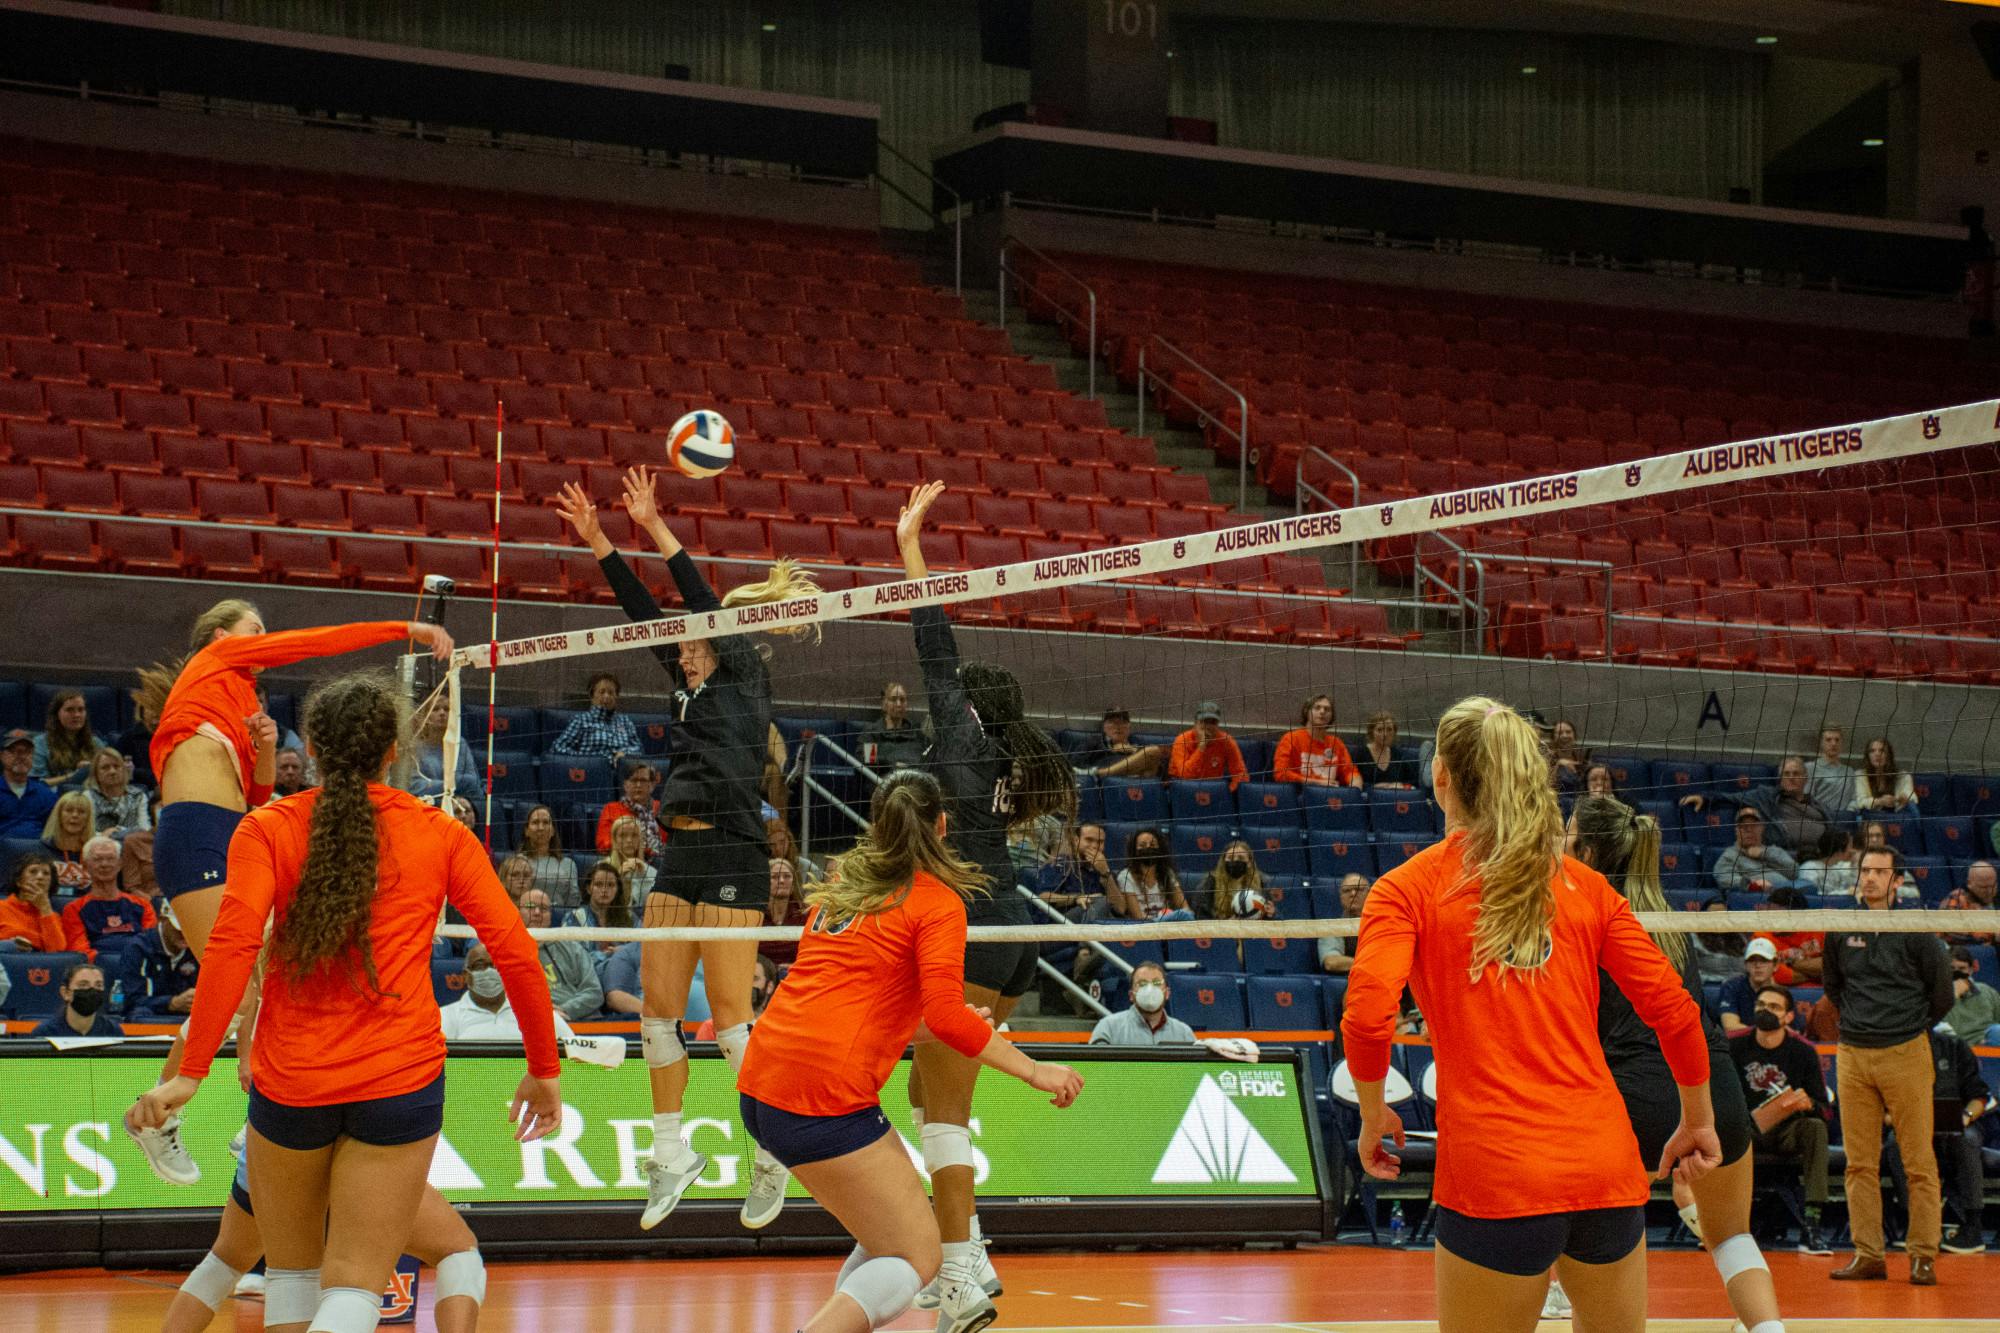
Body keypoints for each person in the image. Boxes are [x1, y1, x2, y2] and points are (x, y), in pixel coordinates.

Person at [126, 669, 561, 1333]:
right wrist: (542, 1067)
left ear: (314, 748)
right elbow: (517, 953)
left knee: (295, 1288)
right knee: (355, 1288)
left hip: (293, 1083)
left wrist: (191, 1071)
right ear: (394, 749)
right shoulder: (438, 832)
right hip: (399, 1082)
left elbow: (231, 950)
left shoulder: (267, 827)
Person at [1342, 696, 1719, 1333]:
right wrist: (1697, 1119)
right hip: (1603, 1169)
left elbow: (1367, 1016)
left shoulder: (1407, 889)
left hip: (1497, 1176)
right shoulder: (1584, 886)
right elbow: (1677, 1012)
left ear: (1442, 779)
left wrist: (1375, 1110)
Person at [555, 465, 820, 1233]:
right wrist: (603, 540)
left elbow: (695, 600)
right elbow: (644, 614)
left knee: (732, 1020)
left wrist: (655, 527)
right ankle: (670, 1155)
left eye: (699, 634)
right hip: (681, 857)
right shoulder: (685, 673)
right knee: (659, 1017)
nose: (688, 642)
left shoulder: (741, 673)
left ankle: (773, 1151)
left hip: (737, 854)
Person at [737, 769, 1082, 1333]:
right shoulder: (937, 902)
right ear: (943, 826)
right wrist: (1034, 1069)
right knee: (919, 1258)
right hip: (821, 1096)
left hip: (762, 1081)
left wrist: (938, 1027)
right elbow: (946, 1016)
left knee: (889, 1240)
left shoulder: (846, 884)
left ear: (878, 825)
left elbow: (854, 999)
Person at [129, 596, 452, 1186]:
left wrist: (267, 746)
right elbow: (314, 642)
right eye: (255, 628)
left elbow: (256, 796)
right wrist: (403, 627)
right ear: (221, 634)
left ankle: (259, 1112)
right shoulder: (219, 658)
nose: (263, 637)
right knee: (240, 982)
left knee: (271, 977)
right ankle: (165, 1115)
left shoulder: (243, 702)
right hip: (195, 834)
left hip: (235, 830)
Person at [891, 482, 1079, 1328]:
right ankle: (966, 1247)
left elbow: (933, 635)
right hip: (1014, 930)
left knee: (944, 1111)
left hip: (962, 926)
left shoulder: (958, 733)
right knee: (930, 1102)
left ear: (969, 703)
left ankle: (959, 1269)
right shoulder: (1008, 754)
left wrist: (910, 547)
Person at [1565, 793, 1780, 1331]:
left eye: (1566, 834)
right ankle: (1770, 1328)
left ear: (1587, 850)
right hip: (1712, 1091)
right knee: (1732, 1235)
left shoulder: (1579, 920)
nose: (1557, 842)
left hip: (1631, 1098)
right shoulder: (1668, 924)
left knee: (1593, 1243)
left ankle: (1560, 1290)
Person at [1823, 845, 1953, 1284]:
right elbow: (1833, 986)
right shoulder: (1842, 925)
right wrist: (1860, 1025)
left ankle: (1923, 1255)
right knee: (1859, 1164)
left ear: (1898, 880)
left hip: (1906, 1051)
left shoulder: (1916, 929)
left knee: (1918, 1161)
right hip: (1853, 1054)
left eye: (1881, 871)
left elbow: (1942, 995)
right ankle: (1868, 1254)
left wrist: (1906, 1027)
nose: (1871, 878)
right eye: (1866, 871)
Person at [1728, 983, 1834, 1253]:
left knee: (1815, 1128)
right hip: (1747, 1131)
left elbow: (1825, 1109)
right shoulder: (1734, 1045)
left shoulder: (1804, 1051)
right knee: (1722, 1127)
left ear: (1788, 1017)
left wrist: (1808, 1103)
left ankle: (1812, 1224)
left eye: (1774, 1007)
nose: (1765, 1011)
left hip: (1787, 1131)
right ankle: (1725, 1225)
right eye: (1761, 1005)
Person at [1881, 1028, 1990, 1256]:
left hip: (1955, 1127)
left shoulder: (1954, 1046)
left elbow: (1979, 1097)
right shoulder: (1890, 1049)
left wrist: (1965, 1118)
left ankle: (1973, 1228)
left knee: (1967, 1139)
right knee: (1894, 1141)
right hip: (1908, 1127)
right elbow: (1881, 1110)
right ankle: (1913, 1223)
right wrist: (1903, 1119)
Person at [1681, 757, 1831, 857]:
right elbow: (1731, 797)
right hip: (1787, 855)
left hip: (1823, 856)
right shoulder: (1764, 796)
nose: (1791, 777)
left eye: (1796, 773)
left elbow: (1834, 831)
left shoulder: (1818, 805)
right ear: (1780, 779)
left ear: (1805, 778)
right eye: (1787, 774)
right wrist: (1704, 797)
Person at [441, 942, 582, 1043]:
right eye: (480, 965)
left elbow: (574, 1053)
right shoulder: (444, 1016)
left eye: (496, 966)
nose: (489, 971)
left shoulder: (538, 1014)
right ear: (465, 976)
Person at [60, 835, 156, 960]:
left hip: (137, 968)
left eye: (111, 859)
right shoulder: (73, 909)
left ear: (120, 864)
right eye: (97, 859)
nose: (104, 864)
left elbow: (151, 945)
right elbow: (80, 952)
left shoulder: (143, 905)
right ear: (85, 866)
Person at [518, 887, 604, 1021]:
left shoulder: (572, 947)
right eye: (530, 906)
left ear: (551, 915)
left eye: (544, 908)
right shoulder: (506, 953)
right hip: (530, 1021)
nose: (537, 913)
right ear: (517, 912)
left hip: (578, 1020)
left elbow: (594, 992)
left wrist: (565, 1009)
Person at [1089, 961, 1196, 1046]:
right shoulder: (1108, 1027)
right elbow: (1095, 1070)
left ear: (1167, 993)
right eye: (1142, 983)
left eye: (1157, 983)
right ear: (1131, 995)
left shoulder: (1184, 1033)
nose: (1150, 988)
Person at [127, 908, 201, 1019]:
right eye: (179, 929)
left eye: (190, 928)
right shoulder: (139, 948)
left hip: (189, 1018)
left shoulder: (197, 947)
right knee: (140, 1013)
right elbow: (133, 1000)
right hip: (152, 1018)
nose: (185, 934)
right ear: (162, 920)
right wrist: (171, 1003)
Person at [1273, 693, 1360, 788]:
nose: (1322, 712)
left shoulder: (1336, 743)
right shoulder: (1291, 738)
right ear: (1307, 711)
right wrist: (1317, 782)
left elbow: (1350, 772)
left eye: (1327, 709)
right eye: (1317, 708)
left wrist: (1355, 787)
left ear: (1332, 716)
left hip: (1330, 796)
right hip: (1300, 793)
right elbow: (1281, 774)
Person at [406, 696, 481, 805]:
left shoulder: (460, 744)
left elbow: (473, 782)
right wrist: (454, 784)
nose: (442, 713)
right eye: (435, 709)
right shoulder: (413, 747)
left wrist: (437, 786)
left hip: (458, 804)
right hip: (425, 805)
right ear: (425, 716)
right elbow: (415, 786)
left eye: (447, 709)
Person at [1035, 822, 1117, 918]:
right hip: (1060, 920)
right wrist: (1076, 898)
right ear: (1076, 840)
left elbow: (1120, 909)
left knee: (1102, 903)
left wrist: (1105, 873)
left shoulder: (1103, 867)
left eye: (1100, 842)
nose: (1095, 846)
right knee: (1101, 901)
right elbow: (1042, 897)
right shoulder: (1059, 864)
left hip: (1095, 917)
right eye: (1089, 840)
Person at [553, 671, 642, 759]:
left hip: (623, 770)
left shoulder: (625, 721)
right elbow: (558, 748)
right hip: (592, 770)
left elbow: (639, 749)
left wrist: (625, 755)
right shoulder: (581, 720)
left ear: (616, 697)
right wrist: (584, 759)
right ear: (592, 696)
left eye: (611, 693)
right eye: (602, 692)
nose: (606, 696)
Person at [1110, 827, 1192, 922]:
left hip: (1168, 926)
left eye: (1152, 844)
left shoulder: (1167, 873)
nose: (1148, 847)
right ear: (1134, 851)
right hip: (1143, 929)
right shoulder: (1126, 876)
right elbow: (1138, 918)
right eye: (1142, 845)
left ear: (1160, 849)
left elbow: (1185, 907)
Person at [28, 959, 123, 1037]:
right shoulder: (45, 1033)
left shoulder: (113, 1032)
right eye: (83, 985)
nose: (92, 990)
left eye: (98, 985)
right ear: (65, 992)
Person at [565, 860, 634, 967]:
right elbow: (572, 957)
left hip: (624, 969)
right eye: (598, 884)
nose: (604, 890)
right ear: (589, 888)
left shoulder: (629, 917)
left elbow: (641, 950)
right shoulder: (575, 917)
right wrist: (609, 955)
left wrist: (624, 951)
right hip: (590, 974)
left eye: (610, 885)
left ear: (617, 889)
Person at [1712, 810, 1800, 894]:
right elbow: (1724, 878)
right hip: (1761, 896)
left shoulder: (1774, 851)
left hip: (1791, 891)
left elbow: (1795, 872)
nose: (1749, 830)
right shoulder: (1730, 854)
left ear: (1762, 828)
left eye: (1754, 825)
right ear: (1736, 831)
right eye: (1744, 827)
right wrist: (1752, 884)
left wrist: (1764, 854)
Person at [1168, 700, 1248, 791]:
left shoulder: (1227, 741)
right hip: (1184, 789)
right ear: (1195, 723)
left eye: (1213, 722)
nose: (1209, 726)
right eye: (1204, 722)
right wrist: (1201, 747)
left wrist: (1228, 793)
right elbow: (1185, 776)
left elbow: (1241, 774)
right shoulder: (1182, 740)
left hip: (1212, 791)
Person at [31, 688, 103, 786]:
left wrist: (92, 768)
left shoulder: (96, 743)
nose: (77, 715)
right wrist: (77, 775)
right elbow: (36, 784)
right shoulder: (40, 743)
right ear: (57, 714)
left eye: (81, 710)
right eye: (70, 710)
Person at [593, 760, 664, 856]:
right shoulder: (611, 809)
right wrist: (644, 850)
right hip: (622, 862)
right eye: (634, 780)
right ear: (625, 785)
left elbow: (671, 845)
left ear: (652, 785)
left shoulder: (662, 808)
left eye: (643, 780)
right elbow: (603, 845)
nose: (638, 785)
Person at [514, 805, 579, 908]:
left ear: (553, 830)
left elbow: (574, 901)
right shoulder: (517, 862)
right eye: (535, 822)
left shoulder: (568, 864)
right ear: (526, 831)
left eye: (546, 822)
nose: (541, 828)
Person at [854, 680, 927, 772]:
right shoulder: (872, 733)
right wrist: (891, 765)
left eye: (902, 700)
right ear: (884, 704)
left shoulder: (917, 733)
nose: (899, 704)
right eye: (893, 699)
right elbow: (869, 760)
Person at [1, 851, 65, 952]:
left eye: (46, 873)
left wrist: (45, 908)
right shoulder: (2, 908)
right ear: (19, 881)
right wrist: (8, 946)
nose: (40, 877)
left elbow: (57, 953)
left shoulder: (53, 917)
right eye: (33, 871)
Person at [0, 727, 57, 837]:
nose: (21, 757)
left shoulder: (46, 795)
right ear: (2, 755)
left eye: (27, 752)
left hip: (38, 852)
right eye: (14, 751)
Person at [81, 746, 149, 838]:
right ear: (96, 773)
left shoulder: (138, 795)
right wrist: (103, 835)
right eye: (105, 767)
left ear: (124, 770)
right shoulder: (88, 796)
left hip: (131, 845)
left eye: (116, 766)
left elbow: (145, 829)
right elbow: (85, 832)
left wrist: (122, 833)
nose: (112, 771)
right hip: (100, 845)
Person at [1080, 707, 1166, 778]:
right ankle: (1101, 773)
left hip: (1138, 780)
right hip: (1108, 780)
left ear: (1129, 727)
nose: (1118, 726)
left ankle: (1101, 773)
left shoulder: (1138, 743)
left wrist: (1133, 750)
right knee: (1152, 751)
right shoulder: (1095, 741)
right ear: (1104, 727)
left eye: (1122, 722)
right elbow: (1076, 765)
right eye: (1112, 722)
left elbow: (1160, 770)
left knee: (1154, 751)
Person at [1198, 840, 1274, 919]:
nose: (1235, 861)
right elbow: (1201, 915)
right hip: (1219, 929)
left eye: (1241, 858)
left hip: (1253, 928)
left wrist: (1270, 914)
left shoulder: (1261, 881)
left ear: (1249, 862)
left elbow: (1271, 915)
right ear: (1223, 861)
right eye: (1230, 857)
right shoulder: (1210, 881)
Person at [1718, 940, 1781, 1033]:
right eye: (1752, 960)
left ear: (1775, 965)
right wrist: (1762, 1035)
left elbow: (1788, 1029)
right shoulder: (1731, 986)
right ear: (1746, 965)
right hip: (1738, 1043)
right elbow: (1730, 1026)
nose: (1758, 965)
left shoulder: (1781, 993)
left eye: (1764, 960)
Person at [1944, 945, 2000, 1046]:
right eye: (1951, 969)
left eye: (1962, 968)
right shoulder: (1937, 996)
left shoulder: (1986, 991)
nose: (1956, 973)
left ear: (1970, 970)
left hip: (1987, 1043)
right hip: (1957, 1047)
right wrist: (1953, 996)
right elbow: (1942, 1029)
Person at [40, 789, 94, 893]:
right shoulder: (41, 848)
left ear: (88, 818)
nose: (75, 815)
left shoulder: (96, 851)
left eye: (81, 812)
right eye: (69, 810)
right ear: (59, 815)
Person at [1317, 872, 1371, 975]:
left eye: (1359, 889)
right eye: (1347, 890)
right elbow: (1331, 962)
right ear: (1341, 896)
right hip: (1356, 981)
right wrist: (1372, 965)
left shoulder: (1386, 923)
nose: (1353, 893)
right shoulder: (1332, 927)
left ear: (1370, 893)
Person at [1801, 725, 1858, 816]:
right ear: (1821, 743)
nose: (1833, 743)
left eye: (1837, 740)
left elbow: (1854, 798)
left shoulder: (1849, 771)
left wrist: (1848, 812)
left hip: (1844, 818)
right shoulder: (1810, 768)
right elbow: (1806, 798)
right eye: (1828, 740)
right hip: (1819, 817)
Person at [761, 856, 807, 967]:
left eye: (786, 876)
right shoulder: (755, 914)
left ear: (793, 883)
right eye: (775, 877)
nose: (781, 881)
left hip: (796, 972)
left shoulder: (805, 912)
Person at [1939, 860, 1998, 945]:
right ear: (1969, 883)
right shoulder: (1955, 899)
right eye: (1983, 888)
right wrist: (1993, 935)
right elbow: (1955, 933)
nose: (1989, 892)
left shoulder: (1996, 898)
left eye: (1993, 886)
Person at [1357, 710, 1419, 787]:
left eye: (1389, 729)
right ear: (1371, 732)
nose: (1385, 734)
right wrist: (1374, 787)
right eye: (1380, 730)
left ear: (1394, 732)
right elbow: (1351, 782)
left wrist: (1401, 785)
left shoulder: (1400, 756)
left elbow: (1414, 782)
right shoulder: (1359, 754)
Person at [604, 815, 659, 899]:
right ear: (614, 840)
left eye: (634, 835)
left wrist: (643, 877)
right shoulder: (602, 868)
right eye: (623, 835)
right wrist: (618, 879)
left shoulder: (651, 872)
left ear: (640, 840)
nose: (629, 840)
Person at [1854, 737, 1914, 813]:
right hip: (1871, 817)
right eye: (1872, 751)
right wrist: (1880, 801)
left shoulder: (1903, 776)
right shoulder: (1860, 776)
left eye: (1882, 750)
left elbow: (1912, 797)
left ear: (1889, 755)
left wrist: (1900, 799)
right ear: (1868, 756)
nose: (1877, 754)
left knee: (1912, 808)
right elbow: (1860, 802)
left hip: (1898, 817)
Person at [1798, 829, 1860, 898]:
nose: (1853, 850)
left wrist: (1854, 863)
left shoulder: (1835, 869)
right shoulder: (1809, 868)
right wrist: (1846, 892)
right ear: (1840, 850)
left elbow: (1854, 885)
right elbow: (1811, 896)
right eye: (1851, 846)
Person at [115, 692, 158, 792]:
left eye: (158, 706)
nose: (155, 712)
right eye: (151, 707)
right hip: (139, 790)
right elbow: (119, 769)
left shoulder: (173, 737)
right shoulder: (128, 738)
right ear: (142, 711)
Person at [1548, 718, 1586, 798]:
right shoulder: (1546, 758)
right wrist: (1558, 765)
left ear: (1574, 735)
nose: (1564, 736)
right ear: (1553, 737)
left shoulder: (1580, 756)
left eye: (1568, 732)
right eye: (1560, 733)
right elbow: (1545, 786)